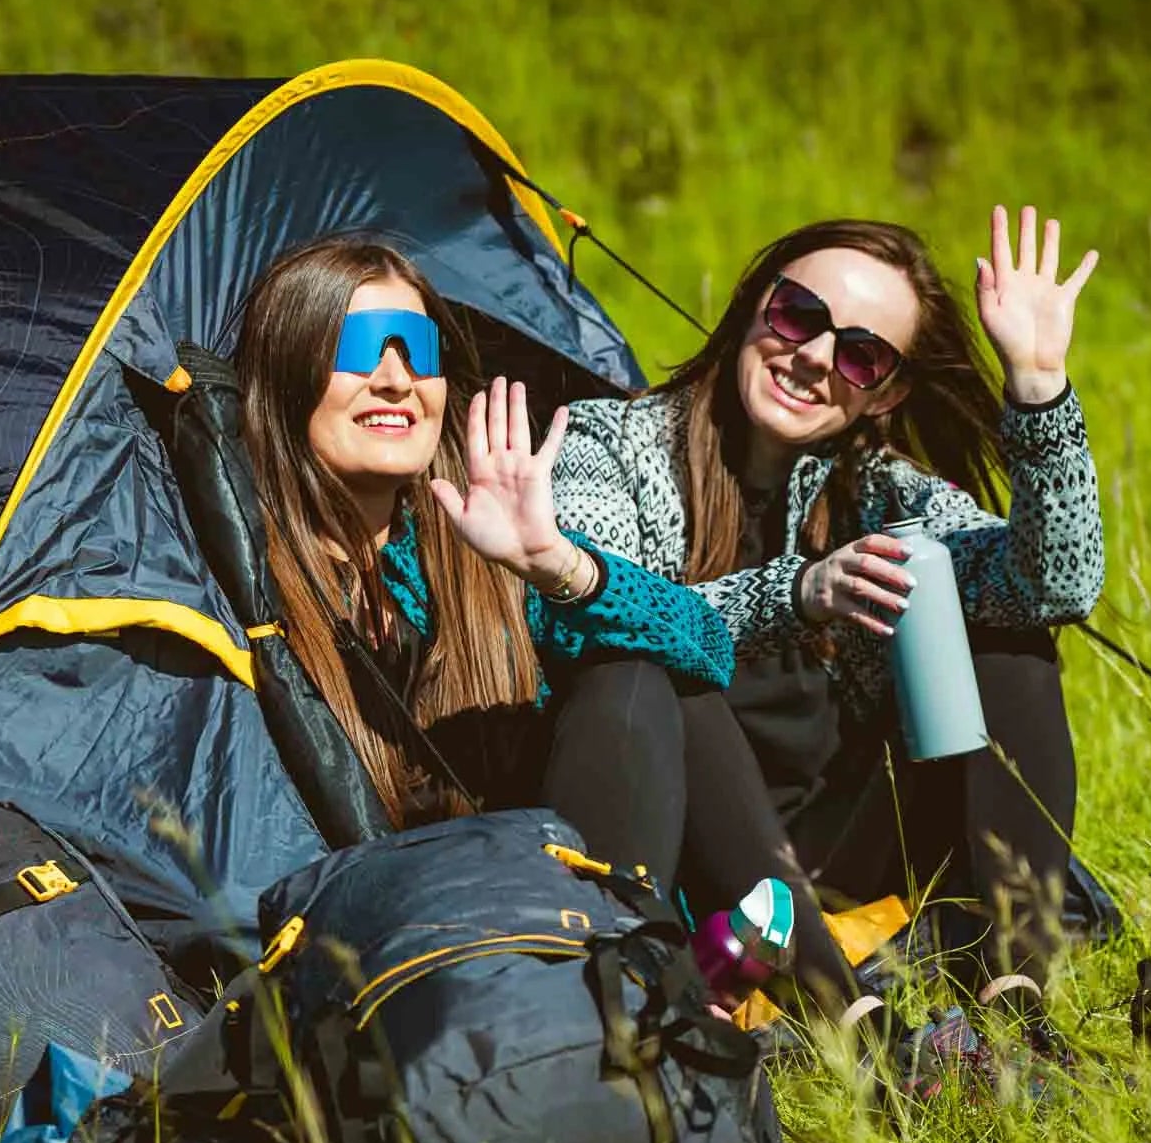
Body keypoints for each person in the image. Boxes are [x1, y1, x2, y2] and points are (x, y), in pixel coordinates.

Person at [552, 208, 1108, 1055]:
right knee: (662, 663)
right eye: (798, 314)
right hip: (693, 860)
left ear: (883, 392)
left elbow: (1054, 584)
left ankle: (1012, 1001)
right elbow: (599, 603)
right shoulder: (610, 443)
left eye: (860, 353)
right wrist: (799, 591)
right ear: (754, 306)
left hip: (845, 842)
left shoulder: (881, 489)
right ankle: (857, 1025)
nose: (813, 357)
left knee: (1012, 639)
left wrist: (1037, 386)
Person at [232, 235, 836, 980]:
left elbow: (706, 644)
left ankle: (838, 1030)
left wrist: (556, 566)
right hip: (399, 948)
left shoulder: (477, 546)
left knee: (640, 672)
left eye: (418, 349)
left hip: (552, 912)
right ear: (289, 370)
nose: (396, 379)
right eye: (358, 347)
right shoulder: (247, 576)